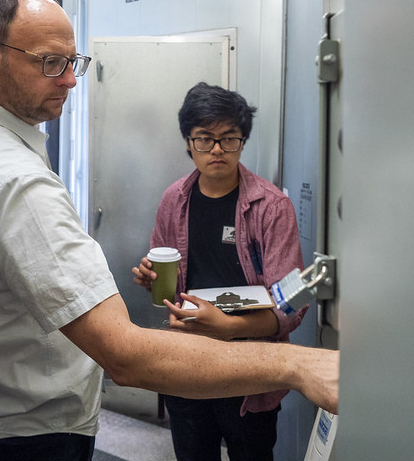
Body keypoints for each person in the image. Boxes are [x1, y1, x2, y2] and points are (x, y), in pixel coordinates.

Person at [0, 0, 339, 461]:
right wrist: (298, 364)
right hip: (30, 431)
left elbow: (288, 299)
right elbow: (125, 354)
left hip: (2, 418)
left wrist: (240, 329)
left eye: (72, 63)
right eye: (50, 62)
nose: (70, 80)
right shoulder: (16, 180)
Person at [131, 82, 307, 461]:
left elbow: (292, 304)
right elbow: (168, 292)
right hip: (187, 361)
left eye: (229, 138)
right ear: (188, 141)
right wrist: (150, 278)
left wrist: (230, 328)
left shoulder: (271, 207)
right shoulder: (173, 200)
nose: (216, 150)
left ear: (242, 142)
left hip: (250, 368)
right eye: (204, 138)